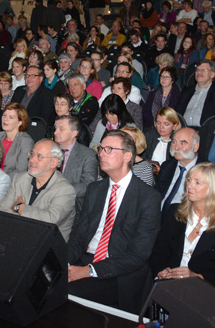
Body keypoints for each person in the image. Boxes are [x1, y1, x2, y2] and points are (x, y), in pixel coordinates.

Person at [66, 130, 162, 313]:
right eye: (100, 148)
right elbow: (78, 236)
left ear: (128, 156)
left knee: (66, 294)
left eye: (109, 149)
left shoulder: (148, 197)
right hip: (85, 259)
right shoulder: (95, 189)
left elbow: (138, 255)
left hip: (119, 272)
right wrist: (66, 264)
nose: (101, 153)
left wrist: (88, 270)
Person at [150, 162, 215, 296]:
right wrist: (160, 270)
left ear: (213, 188)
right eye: (189, 180)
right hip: (168, 287)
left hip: (206, 293)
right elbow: (159, 250)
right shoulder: (175, 212)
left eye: (197, 183)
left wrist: (197, 276)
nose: (190, 186)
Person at [0, 139, 77, 241]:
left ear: (54, 162)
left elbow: (50, 221)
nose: (32, 160)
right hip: (16, 238)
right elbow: (0, 211)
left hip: (46, 246)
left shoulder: (65, 190)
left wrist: (19, 207)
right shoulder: (20, 179)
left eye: (39, 157)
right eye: (32, 154)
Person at [156, 127, 200, 220]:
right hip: (157, 215)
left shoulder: (204, 172)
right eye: (174, 142)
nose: (176, 147)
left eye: (182, 143)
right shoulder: (167, 166)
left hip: (184, 219)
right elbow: (157, 194)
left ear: (195, 147)